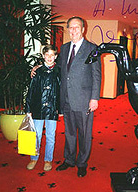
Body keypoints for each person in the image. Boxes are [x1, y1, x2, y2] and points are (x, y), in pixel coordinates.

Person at [31, 16, 101, 177]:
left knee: (84, 133)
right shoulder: (64, 48)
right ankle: (69, 160)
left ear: (83, 29)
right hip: (66, 99)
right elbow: (56, 67)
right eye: (71, 27)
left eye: (77, 27)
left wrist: (94, 98)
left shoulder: (92, 48)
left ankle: (82, 162)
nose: (73, 30)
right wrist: (39, 67)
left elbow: (96, 75)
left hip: (84, 99)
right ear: (68, 29)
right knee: (69, 132)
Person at [25, 45, 60, 171]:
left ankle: (48, 159)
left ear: (56, 56)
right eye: (47, 55)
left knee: (51, 135)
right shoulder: (37, 71)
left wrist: (60, 109)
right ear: (43, 56)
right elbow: (31, 91)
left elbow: (62, 91)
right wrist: (28, 109)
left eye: (52, 55)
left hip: (52, 108)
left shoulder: (59, 71)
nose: (49, 57)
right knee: (36, 134)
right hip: (38, 107)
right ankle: (33, 157)